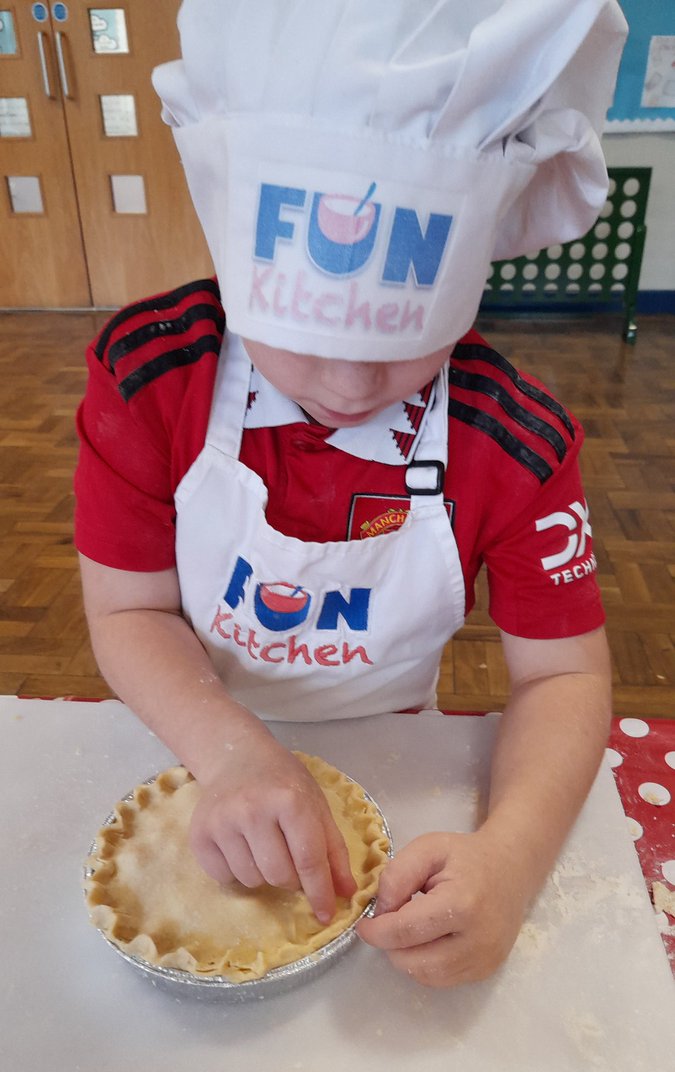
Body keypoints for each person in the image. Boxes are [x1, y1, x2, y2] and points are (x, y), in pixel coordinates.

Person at [74, 0, 628, 988]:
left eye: (401, 344)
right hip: (183, 732)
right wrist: (232, 749)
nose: (350, 385)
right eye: (307, 340)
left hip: (400, 764)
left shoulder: (515, 436)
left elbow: (565, 678)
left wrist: (509, 856)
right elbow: (129, 608)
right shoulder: (153, 377)